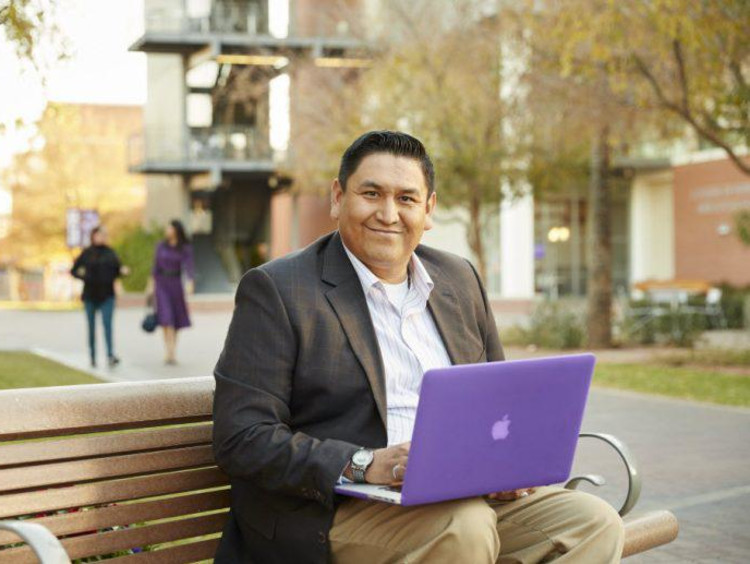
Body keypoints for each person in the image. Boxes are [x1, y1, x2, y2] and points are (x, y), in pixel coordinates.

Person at [212, 131, 625, 563]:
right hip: (334, 511)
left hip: (466, 499)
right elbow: (242, 436)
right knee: (463, 528)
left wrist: (504, 468)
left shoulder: (459, 279)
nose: (388, 214)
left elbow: (497, 403)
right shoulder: (280, 290)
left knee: (592, 523)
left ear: (428, 209)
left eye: (407, 199)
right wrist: (365, 464)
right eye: (371, 193)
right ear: (338, 197)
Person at [70, 225, 127, 368]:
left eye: (104, 235)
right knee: (91, 327)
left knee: (107, 325)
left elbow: (117, 270)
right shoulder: (87, 253)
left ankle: (110, 355)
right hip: (90, 295)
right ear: (93, 236)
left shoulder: (110, 252)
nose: (102, 237)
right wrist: (83, 277)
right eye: (99, 235)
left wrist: (123, 271)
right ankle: (93, 356)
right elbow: (74, 270)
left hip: (107, 295)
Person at [146, 219, 195, 365]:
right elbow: (155, 267)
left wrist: (190, 281)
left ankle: (173, 349)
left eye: (169, 228)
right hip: (161, 284)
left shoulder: (184, 248)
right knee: (166, 318)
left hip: (175, 284)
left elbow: (189, 266)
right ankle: (169, 351)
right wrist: (150, 286)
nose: (167, 230)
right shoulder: (161, 246)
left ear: (176, 230)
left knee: (176, 318)